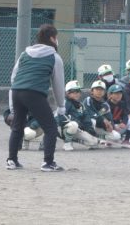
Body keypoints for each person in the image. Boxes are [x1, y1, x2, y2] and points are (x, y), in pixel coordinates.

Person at [7, 24, 65, 171]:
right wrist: (61, 105)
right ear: (52, 38)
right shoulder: (54, 57)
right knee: (51, 127)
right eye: (56, 37)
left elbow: (14, 77)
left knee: (17, 126)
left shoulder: (24, 54)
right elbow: (58, 84)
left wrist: (17, 96)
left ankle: (11, 160)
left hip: (16, 91)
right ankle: (48, 163)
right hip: (34, 93)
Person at [57, 80, 100, 151]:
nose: (77, 94)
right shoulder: (64, 103)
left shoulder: (80, 105)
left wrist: (91, 132)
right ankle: (67, 143)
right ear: (67, 93)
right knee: (73, 125)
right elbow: (61, 119)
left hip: (76, 128)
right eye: (74, 91)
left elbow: (87, 120)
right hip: (62, 129)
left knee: (94, 142)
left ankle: (74, 140)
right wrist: (78, 123)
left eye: (78, 91)